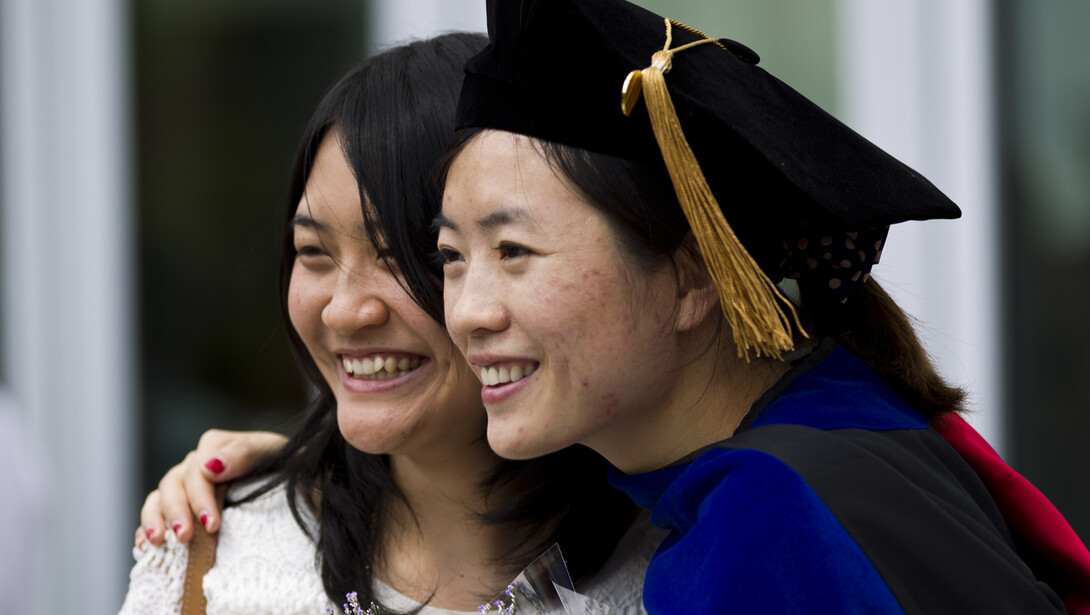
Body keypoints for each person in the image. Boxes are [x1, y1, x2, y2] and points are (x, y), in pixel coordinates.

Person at [431, 0, 1090, 613]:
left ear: (691, 276)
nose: (468, 313)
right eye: (451, 257)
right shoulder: (850, 422)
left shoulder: (767, 529)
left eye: (514, 249)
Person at [119, 33, 659, 615]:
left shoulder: (685, 564)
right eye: (313, 252)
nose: (346, 312)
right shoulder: (221, 557)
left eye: (412, 252)